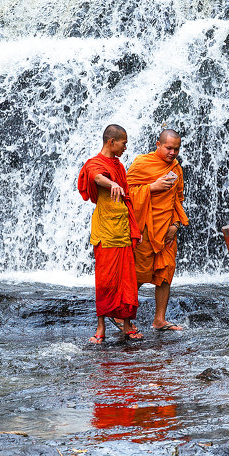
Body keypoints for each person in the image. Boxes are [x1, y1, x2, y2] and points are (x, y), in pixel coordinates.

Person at [78, 124, 142, 344]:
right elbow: (95, 177)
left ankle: (126, 325)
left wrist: (134, 227)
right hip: (106, 231)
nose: (126, 146)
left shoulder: (119, 165)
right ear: (111, 142)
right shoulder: (94, 163)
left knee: (127, 281)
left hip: (122, 228)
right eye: (123, 142)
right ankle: (101, 326)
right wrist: (111, 182)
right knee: (105, 280)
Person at [127, 129, 190, 332]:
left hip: (167, 230)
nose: (173, 153)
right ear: (158, 144)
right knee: (137, 273)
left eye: (176, 149)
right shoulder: (141, 163)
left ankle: (160, 319)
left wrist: (175, 225)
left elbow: (178, 200)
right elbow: (124, 193)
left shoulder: (176, 169)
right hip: (145, 228)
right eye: (169, 148)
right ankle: (123, 317)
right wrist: (151, 188)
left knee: (165, 273)